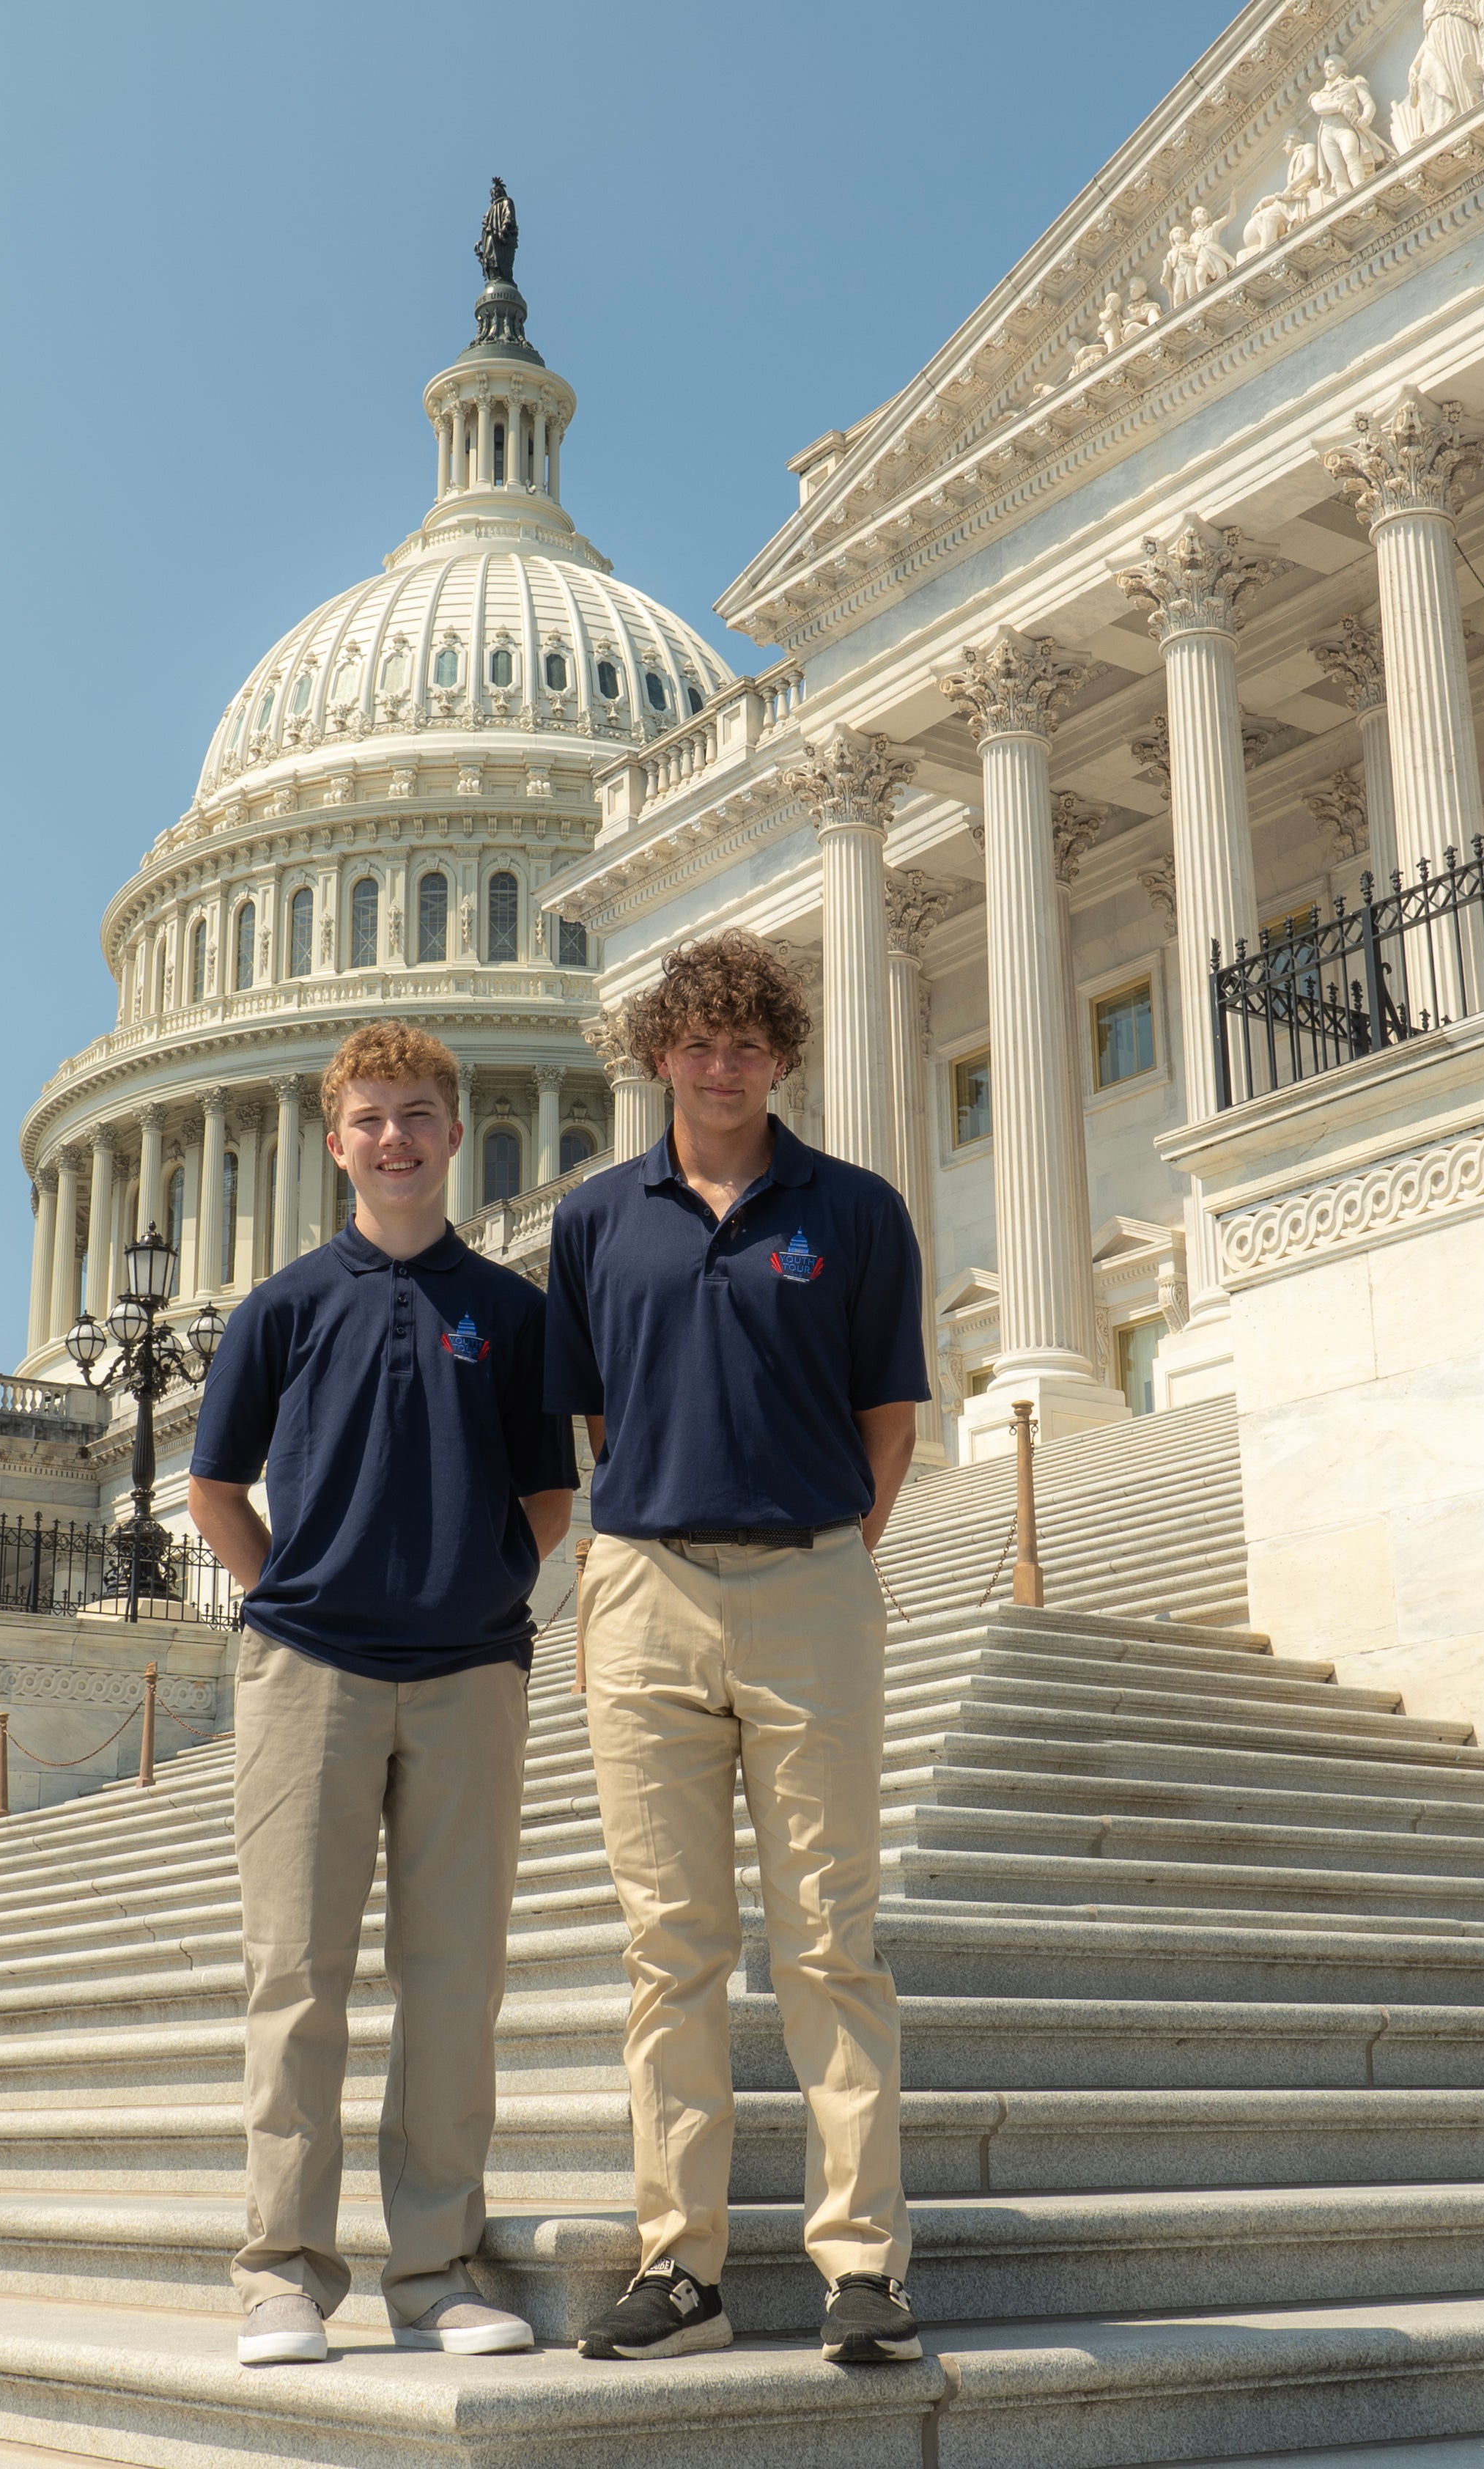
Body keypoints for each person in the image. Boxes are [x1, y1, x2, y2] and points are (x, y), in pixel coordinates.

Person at [542, 930, 932, 2366]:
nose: (724, 1064)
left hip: (811, 1591)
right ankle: (681, 2267)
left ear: (782, 1058)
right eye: (700, 1042)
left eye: (751, 1043)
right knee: (672, 1947)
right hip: (645, 1591)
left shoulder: (858, 1210)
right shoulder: (595, 1222)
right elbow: (593, 1419)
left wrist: (831, 1552)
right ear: (659, 1056)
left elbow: (891, 1414)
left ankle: (862, 2265)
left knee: (832, 1940)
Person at [188, 1020, 575, 2369]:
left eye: (418, 1114)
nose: (395, 1139)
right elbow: (213, 1489)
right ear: (336, 1139)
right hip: (312, 1674)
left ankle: (436, 2267)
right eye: (371, 1119)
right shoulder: (283, 1306)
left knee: (454, 1981)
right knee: (296, 1979)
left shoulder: (514, 1312)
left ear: (455, 1131)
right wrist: (288, 1596)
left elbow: (551, 1492)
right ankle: (282, 2272)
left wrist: (481, 1590)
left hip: (469, 1674)